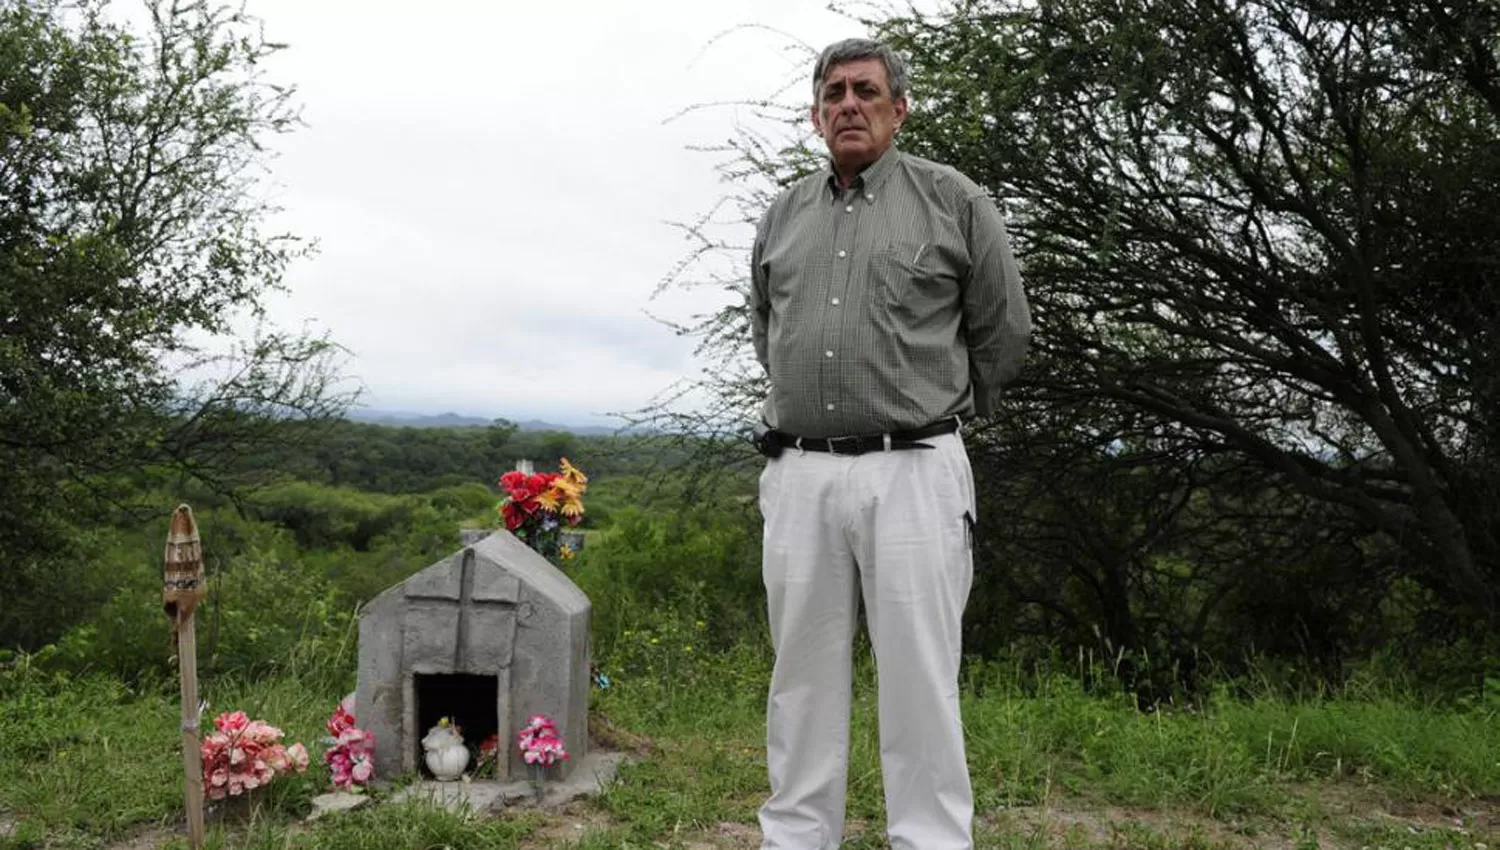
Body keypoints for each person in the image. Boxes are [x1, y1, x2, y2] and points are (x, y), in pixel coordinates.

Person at [748, 37, 1032, 850]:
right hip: (800, 472)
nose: (848, 104)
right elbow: (768, 332)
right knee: (800, 681)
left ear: (898, 108)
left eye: (866, 90)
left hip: (915, 470)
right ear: (814, 114)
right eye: (833, 92)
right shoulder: (783, 216)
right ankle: (797, 838)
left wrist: (934, 408)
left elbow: (1003, 329)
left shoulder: (952, 201)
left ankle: (932, 840)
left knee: (920, 678)